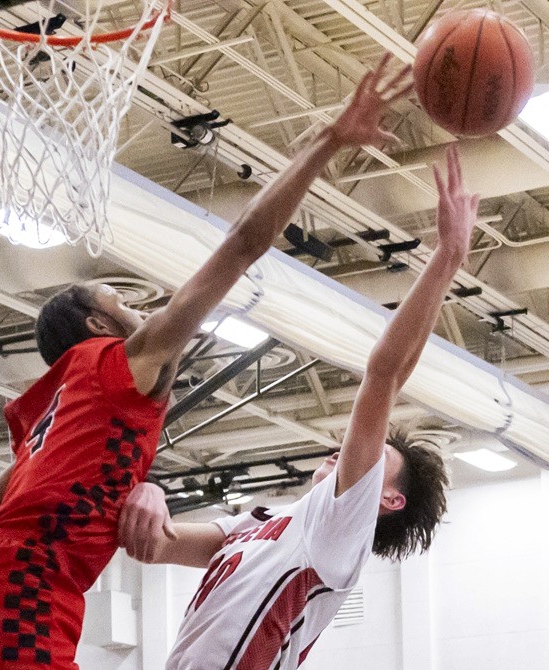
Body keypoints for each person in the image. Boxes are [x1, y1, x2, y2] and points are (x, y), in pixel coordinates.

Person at [0, 54, 412, 670]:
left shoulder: (45, 424)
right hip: (17, 593)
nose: (141, 305)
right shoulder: (126, 361)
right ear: (100, 327)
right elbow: (241, 245)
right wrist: (327, 142)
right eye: (121, 299)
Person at [118, 144, 476, 670]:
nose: (343, 453)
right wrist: (145, 492)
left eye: (373, 462)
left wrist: (446, 260)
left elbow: (385, 374)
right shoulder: (264, 524)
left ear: (388, 501)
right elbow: (154, 544)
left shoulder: (339, 529)